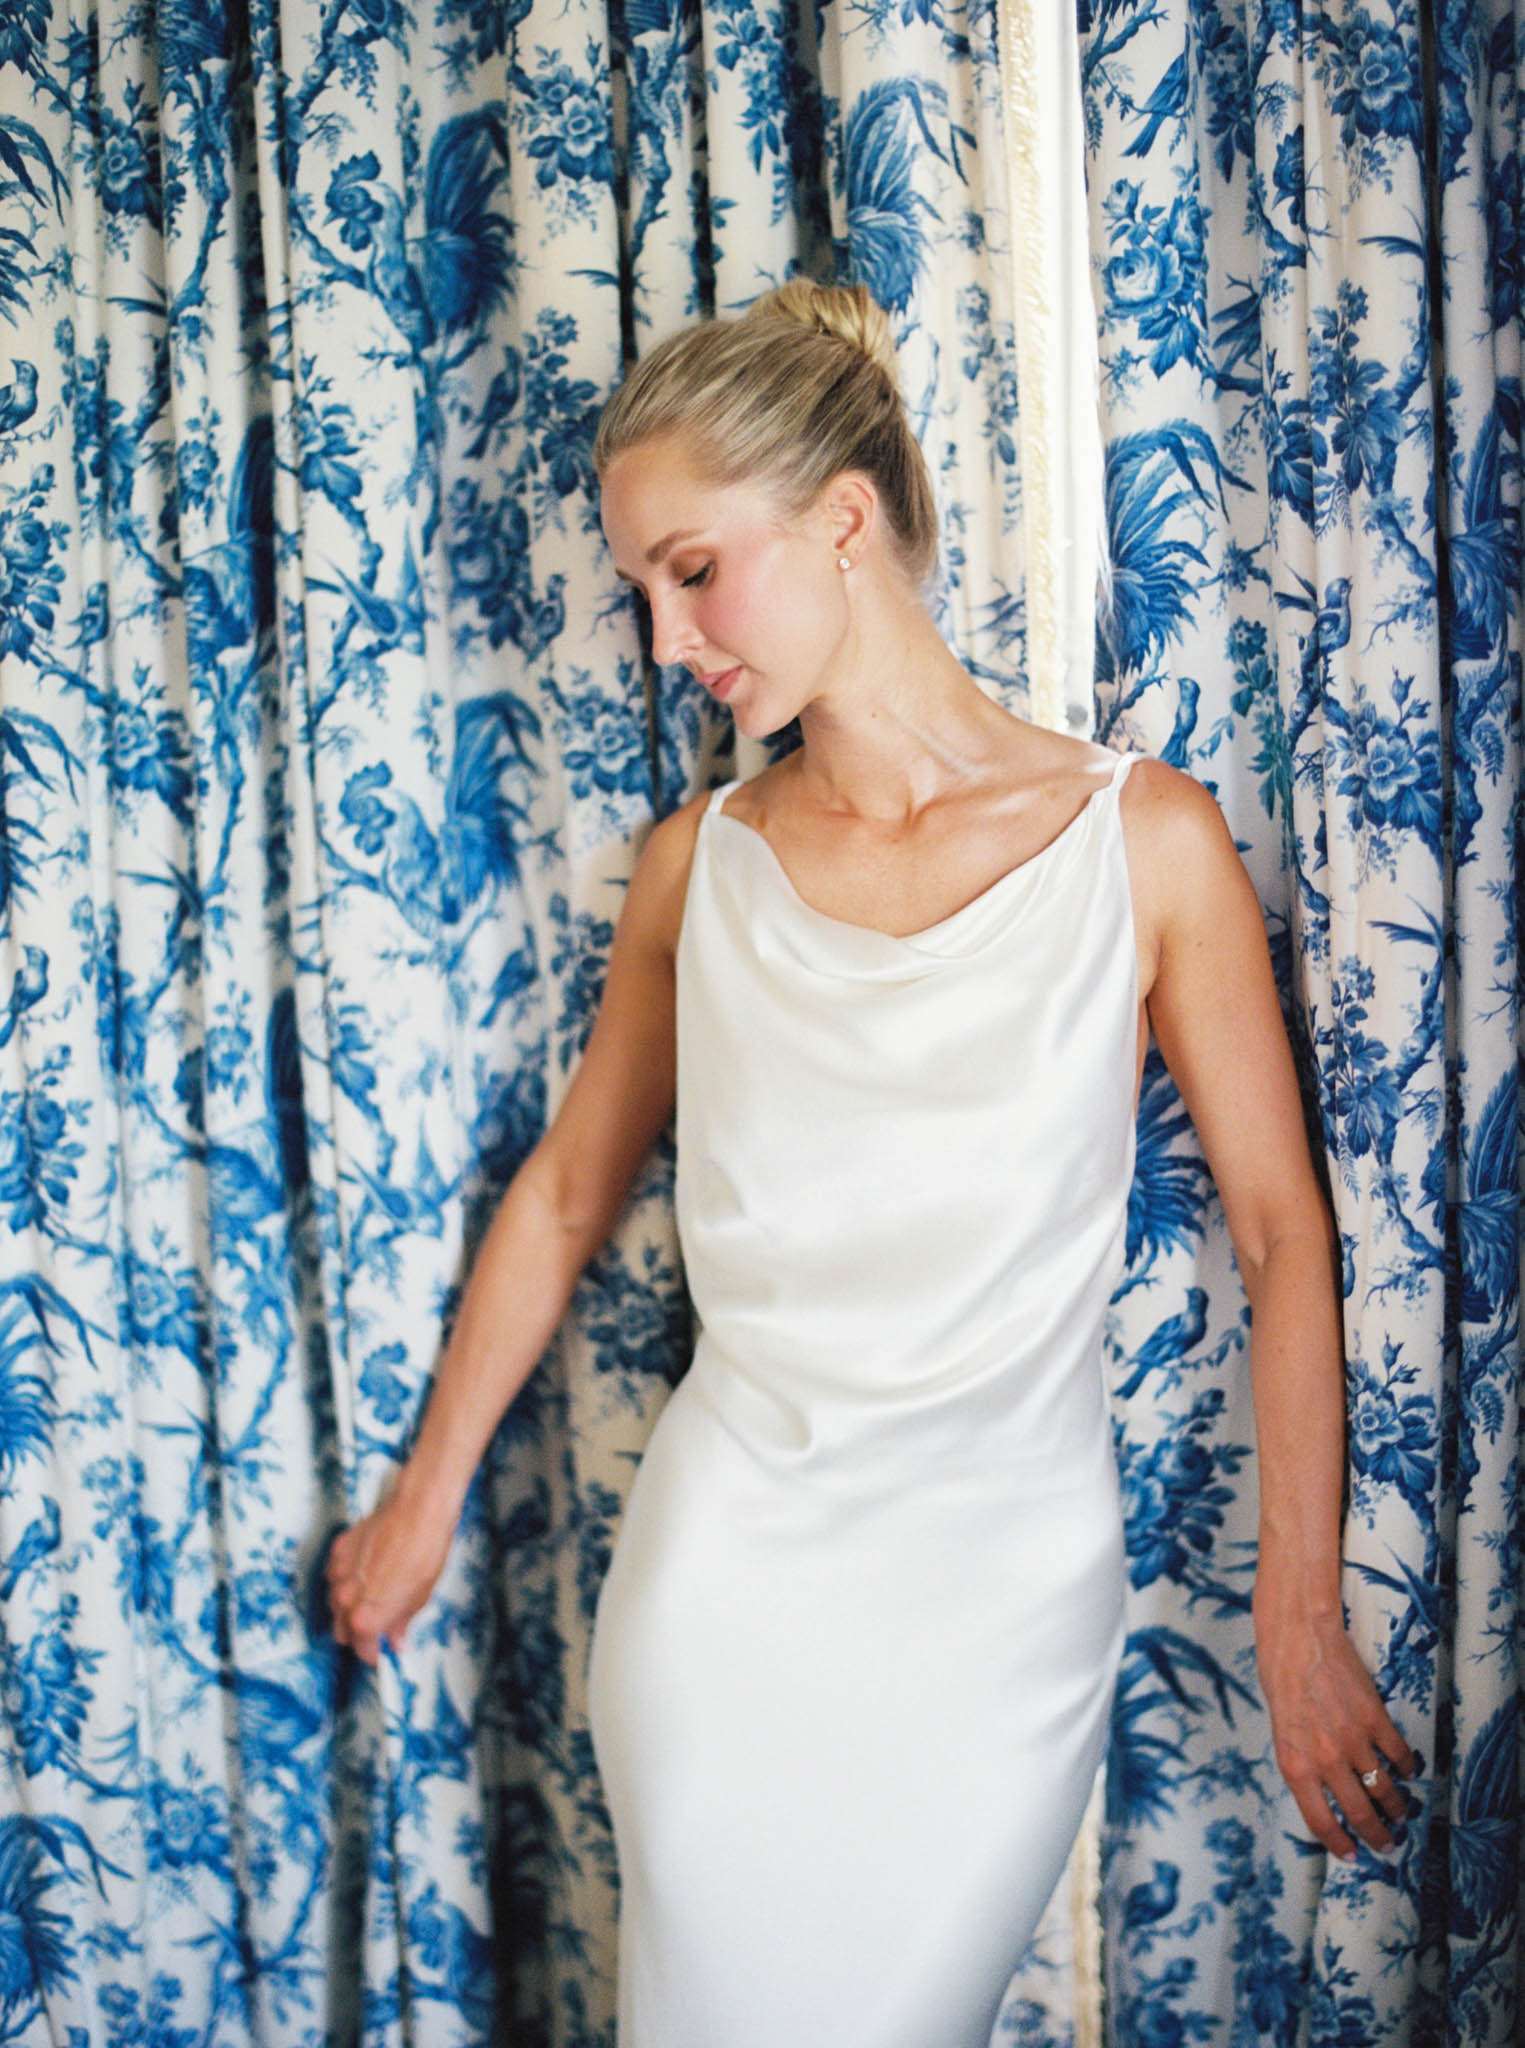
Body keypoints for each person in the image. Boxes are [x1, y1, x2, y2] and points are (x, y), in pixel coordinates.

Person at [327, 278, 1420, 2044]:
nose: (668, 641)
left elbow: (1285, 1233)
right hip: (724, 1589)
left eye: (692, 570)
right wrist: (425, 1496)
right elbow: (564, 1191)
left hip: (996, 1622)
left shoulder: (1137, 842)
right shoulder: (700, 866)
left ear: (842, 520)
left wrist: (1296, 1611)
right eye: (642, 594)